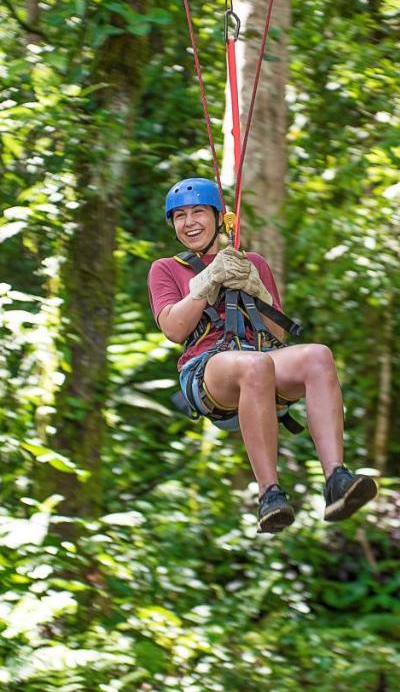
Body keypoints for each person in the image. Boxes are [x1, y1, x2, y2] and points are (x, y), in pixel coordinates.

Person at [147, 178, 378, 533]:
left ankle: (336, 480)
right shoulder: (165, 269)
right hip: (207, 369)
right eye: (179, 216)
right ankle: (269, 494)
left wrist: (257, 289)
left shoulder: (250, 261)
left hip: (260, 356)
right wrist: (206, 282)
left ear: (217, 216)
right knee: (255, 366)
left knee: (318, 356)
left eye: (197, 212)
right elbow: (174, 329)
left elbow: (278, 335)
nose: (189, 222)